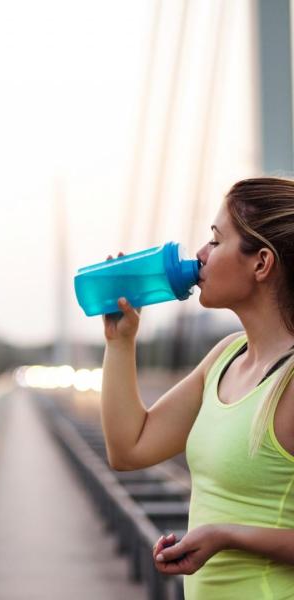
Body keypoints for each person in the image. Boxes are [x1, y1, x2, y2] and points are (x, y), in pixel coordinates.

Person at [99, 177, 294, 598]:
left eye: (216, 240)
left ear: (261, 263)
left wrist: (228, 535)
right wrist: (120, 343)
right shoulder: (226, 357)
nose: (200, 255)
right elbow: (130, 449)